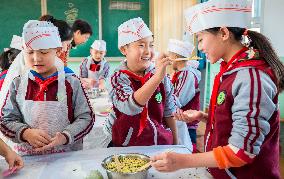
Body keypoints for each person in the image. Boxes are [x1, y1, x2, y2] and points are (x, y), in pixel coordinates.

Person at [151, 0, 284, 178]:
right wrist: (205, 117)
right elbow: (234, 121)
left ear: (223, 33)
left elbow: (241, 152)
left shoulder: (251, 77)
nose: (200, 47)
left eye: (200, 39)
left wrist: (181, 161)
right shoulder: (229, 70)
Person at [0, 20, 94, 156]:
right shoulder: (17, 85)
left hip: (66, 159)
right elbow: (5, 120)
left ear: (57, 50)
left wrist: (66, 136)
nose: (36, 58)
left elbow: (86, 117)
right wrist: (25, 133)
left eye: (43, 52)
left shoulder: (72, 83)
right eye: (30, 52)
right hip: (28, 161)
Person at [104, 17, 178, 147]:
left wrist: (175, 144)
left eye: (151, 45)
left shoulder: (160, 75)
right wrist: (156, 79)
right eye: (141, 45)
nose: (148, 51)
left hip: (159, 144)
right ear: (124, 50)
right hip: (128, 147)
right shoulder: (118, 78)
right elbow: (130, 107)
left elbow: (169, 111)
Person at [168, 39, 201, 151]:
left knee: (187, 151)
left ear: (176, 57)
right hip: (181, 122)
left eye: (170, 56)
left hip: (186, 125)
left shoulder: (187, 75)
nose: (169, 60)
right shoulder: (179, 74)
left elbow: (178, 100)